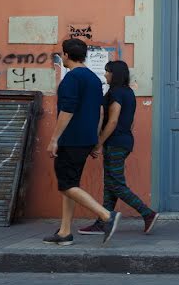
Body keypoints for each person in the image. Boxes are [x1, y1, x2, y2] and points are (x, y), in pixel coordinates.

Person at [44, 38, 121, 245]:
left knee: (66, 185)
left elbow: (67, 110)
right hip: (86, 139)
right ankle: (65, 232)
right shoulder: (94, 79)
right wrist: (95, 140)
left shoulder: (71, 79)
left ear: (66, 55)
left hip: (71, 139)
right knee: (71, 184)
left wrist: (54, 139)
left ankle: (106, 216)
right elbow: (100, 111)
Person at [78, 61, 158, 236]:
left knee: (117, 184)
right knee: (110, 184)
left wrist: (99, 143)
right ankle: (103, 222)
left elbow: (112, 121)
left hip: (115, 143)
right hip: (123, 141)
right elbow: (131, 122)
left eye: (107, 72)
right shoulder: (129, 92)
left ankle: (147, 213)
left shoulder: (115, 93)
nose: (105, 75)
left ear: (115, 74)